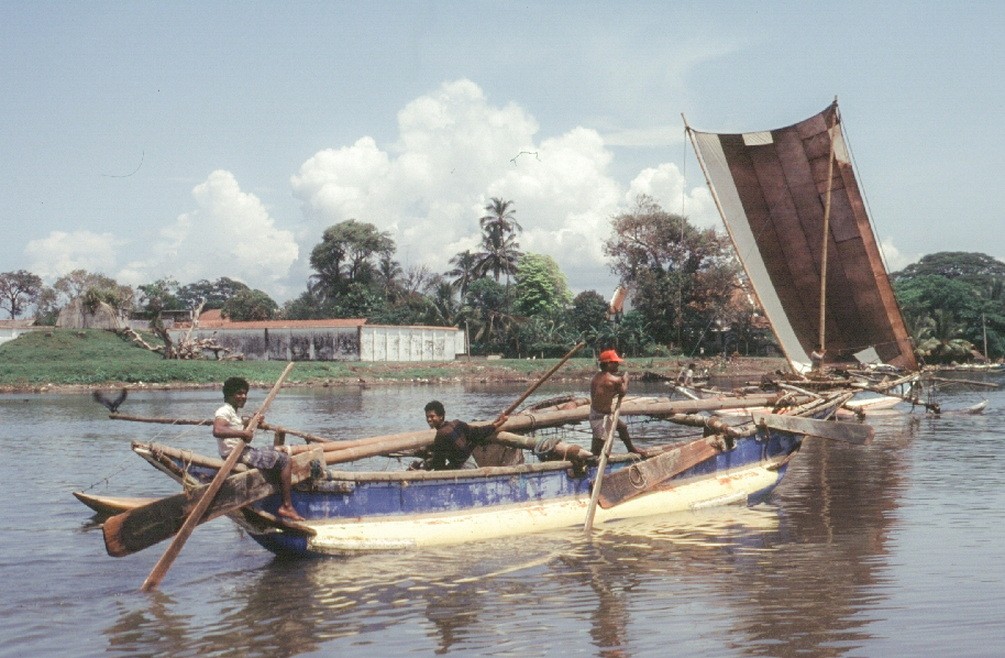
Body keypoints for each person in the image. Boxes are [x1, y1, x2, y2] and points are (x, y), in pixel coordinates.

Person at [213, 376, 305, 521]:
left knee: (278, 450)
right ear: (229, 395)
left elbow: (239, 427)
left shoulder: (233, 412)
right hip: (236, 455)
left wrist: (253, 422)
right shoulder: (224, 411)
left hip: (241, 451)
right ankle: (286, 506)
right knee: (285, 460)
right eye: (239, 393)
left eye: (245, 393)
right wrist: (243, 433)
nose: (243, 397)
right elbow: (218, 430)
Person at [411, 400, 508, 471]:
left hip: (462, 470)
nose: (429, 419)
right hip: (472, 465)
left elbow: (439, 463)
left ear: (441, 416)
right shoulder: (457, 424)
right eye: (427, 417)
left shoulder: (441, 434)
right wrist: (496, 425)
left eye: (432, 416)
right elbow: (477, 432)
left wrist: (426, 468)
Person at [590, 349, 640, 456]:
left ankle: (631, 449)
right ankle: (591, 461)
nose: (618, 365)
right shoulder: (613, 380)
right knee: (597, 446)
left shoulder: (596, 376)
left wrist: (620, 382)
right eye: (615, 362)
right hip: (600, 417)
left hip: (597, 412)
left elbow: (606, 392)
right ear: (609, 364)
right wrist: (626, 380)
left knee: (622, 427)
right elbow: (623, 392)